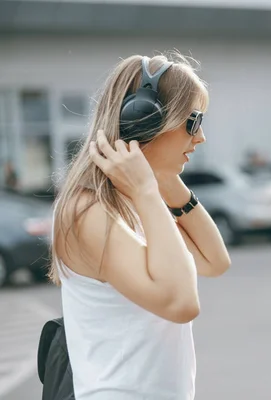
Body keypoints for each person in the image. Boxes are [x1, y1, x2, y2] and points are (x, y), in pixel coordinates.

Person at [49, 53, 231, 400]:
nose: (201, 136)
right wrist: (148, 190)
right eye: (192, 122)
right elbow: (181, 303)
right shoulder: (87, 210)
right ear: (143, 121)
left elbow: (215, 261)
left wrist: (163, 180)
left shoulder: (135, 201)